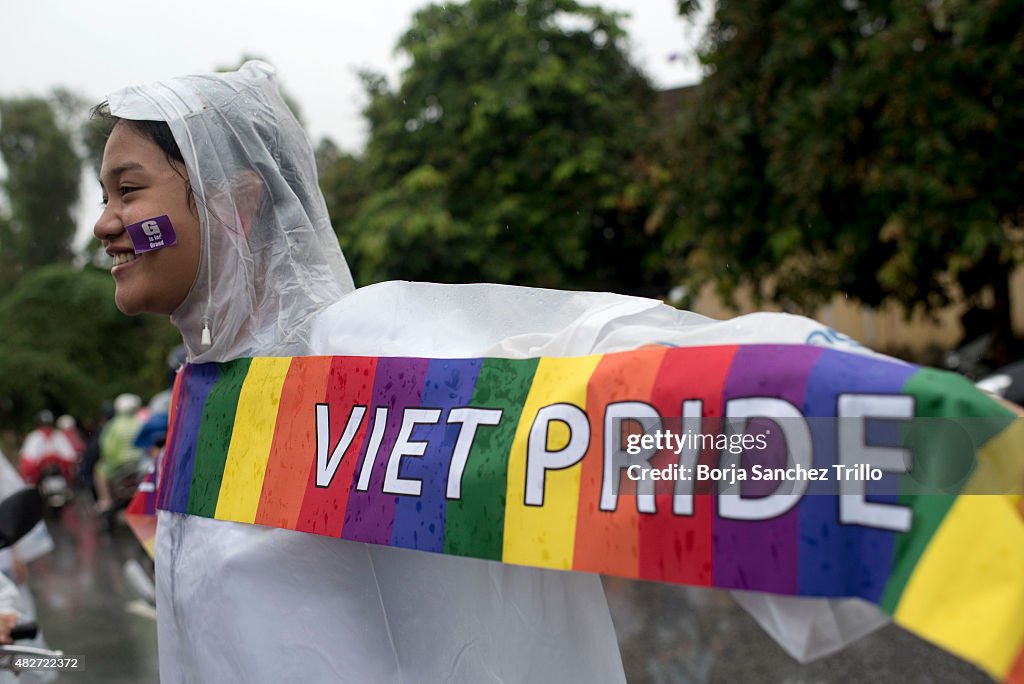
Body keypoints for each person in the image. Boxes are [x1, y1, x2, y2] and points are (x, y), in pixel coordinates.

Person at [94, 63, 891, 682]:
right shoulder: (206, 399)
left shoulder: (354, 350)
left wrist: (893, 431)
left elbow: (614, 375)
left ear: (235, 203)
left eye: (129, 190)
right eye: (104, 196)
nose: (105, 224)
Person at [94, 393, 143, 512]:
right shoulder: (140, 422)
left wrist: (110, 463)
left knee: (98, 470)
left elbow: (107, 448)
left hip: (119, 466)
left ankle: (106, 501)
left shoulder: (113, 425)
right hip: (139, 464)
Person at [17, 411, 77, 487]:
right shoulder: (34, 437)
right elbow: (28, 460)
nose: (46, 428)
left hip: (60, 475)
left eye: (48, 425)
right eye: (44, 425)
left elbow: (70, 456)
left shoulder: (58, 436)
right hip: (41, 477)